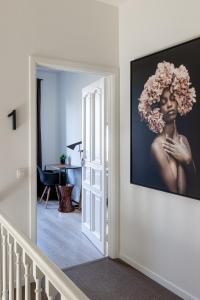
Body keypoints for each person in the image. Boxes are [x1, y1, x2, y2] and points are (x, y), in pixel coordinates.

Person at [138, 61, 196, 194]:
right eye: (163, 102)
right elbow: (178, 193)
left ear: (179, 100)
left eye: (172, 98)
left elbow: (194, 181)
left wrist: (187, 159)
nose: (169, 105)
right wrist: (184, 160)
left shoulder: (183, 140)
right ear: (156, 110)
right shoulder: (157, 146)